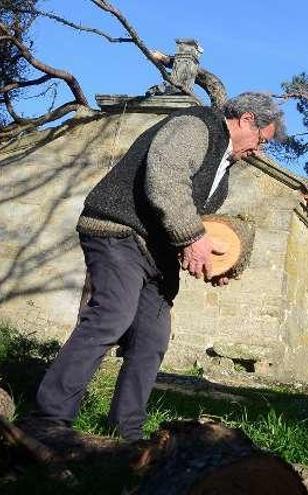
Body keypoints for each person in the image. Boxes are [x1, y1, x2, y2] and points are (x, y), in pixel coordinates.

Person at [24, 92, 285, 441]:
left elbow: (185, 221)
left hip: (155, 253)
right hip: (118, 230)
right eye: (261, 139)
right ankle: (48, 420)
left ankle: (126, 433)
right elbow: (165, 179)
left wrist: (211, 264)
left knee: (152, 338)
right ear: (246, 119)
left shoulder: (223, 169)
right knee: (111, 315)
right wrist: (192, 237)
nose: (259, 149)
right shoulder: (196, 126)